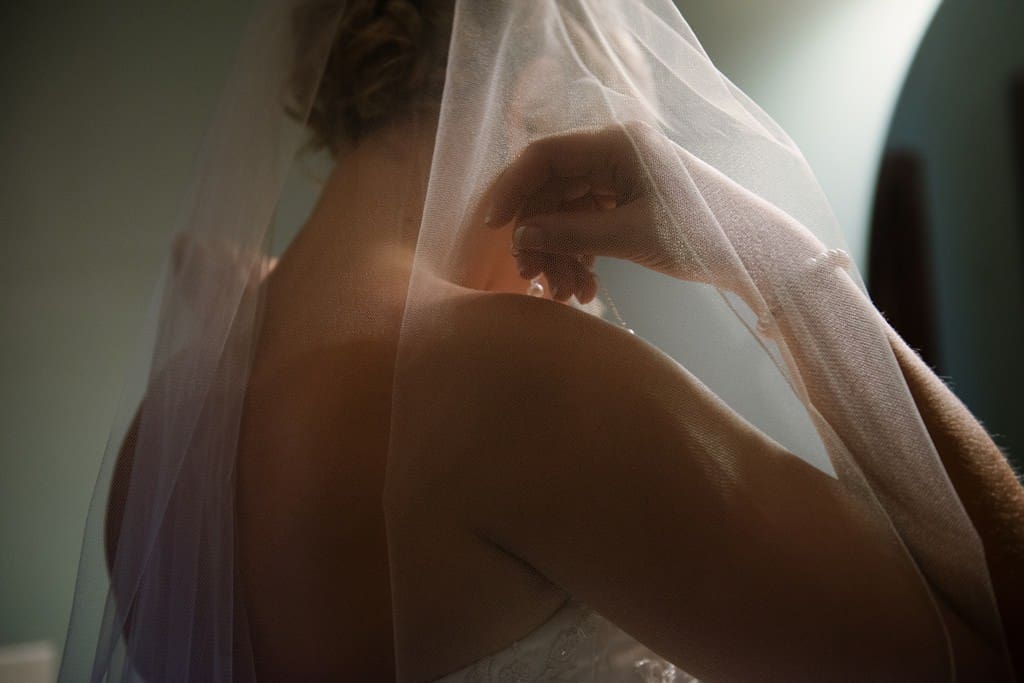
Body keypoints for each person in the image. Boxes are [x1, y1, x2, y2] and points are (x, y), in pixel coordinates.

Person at [64, 0, 1024, 680]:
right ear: (533, 96)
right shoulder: (521, 387)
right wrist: (776, 261)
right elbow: (992, 649)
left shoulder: (166, 445)